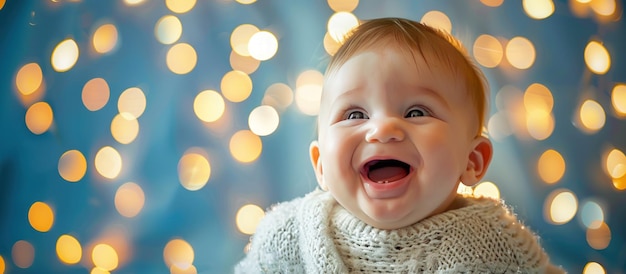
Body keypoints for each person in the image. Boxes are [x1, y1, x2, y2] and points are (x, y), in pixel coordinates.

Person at [235, 17, 564, 273]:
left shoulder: (493, 244)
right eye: (355, 113)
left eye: (416, 111)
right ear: (321, 164)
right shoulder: (288, 235)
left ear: (472, 160)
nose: (382, 129)